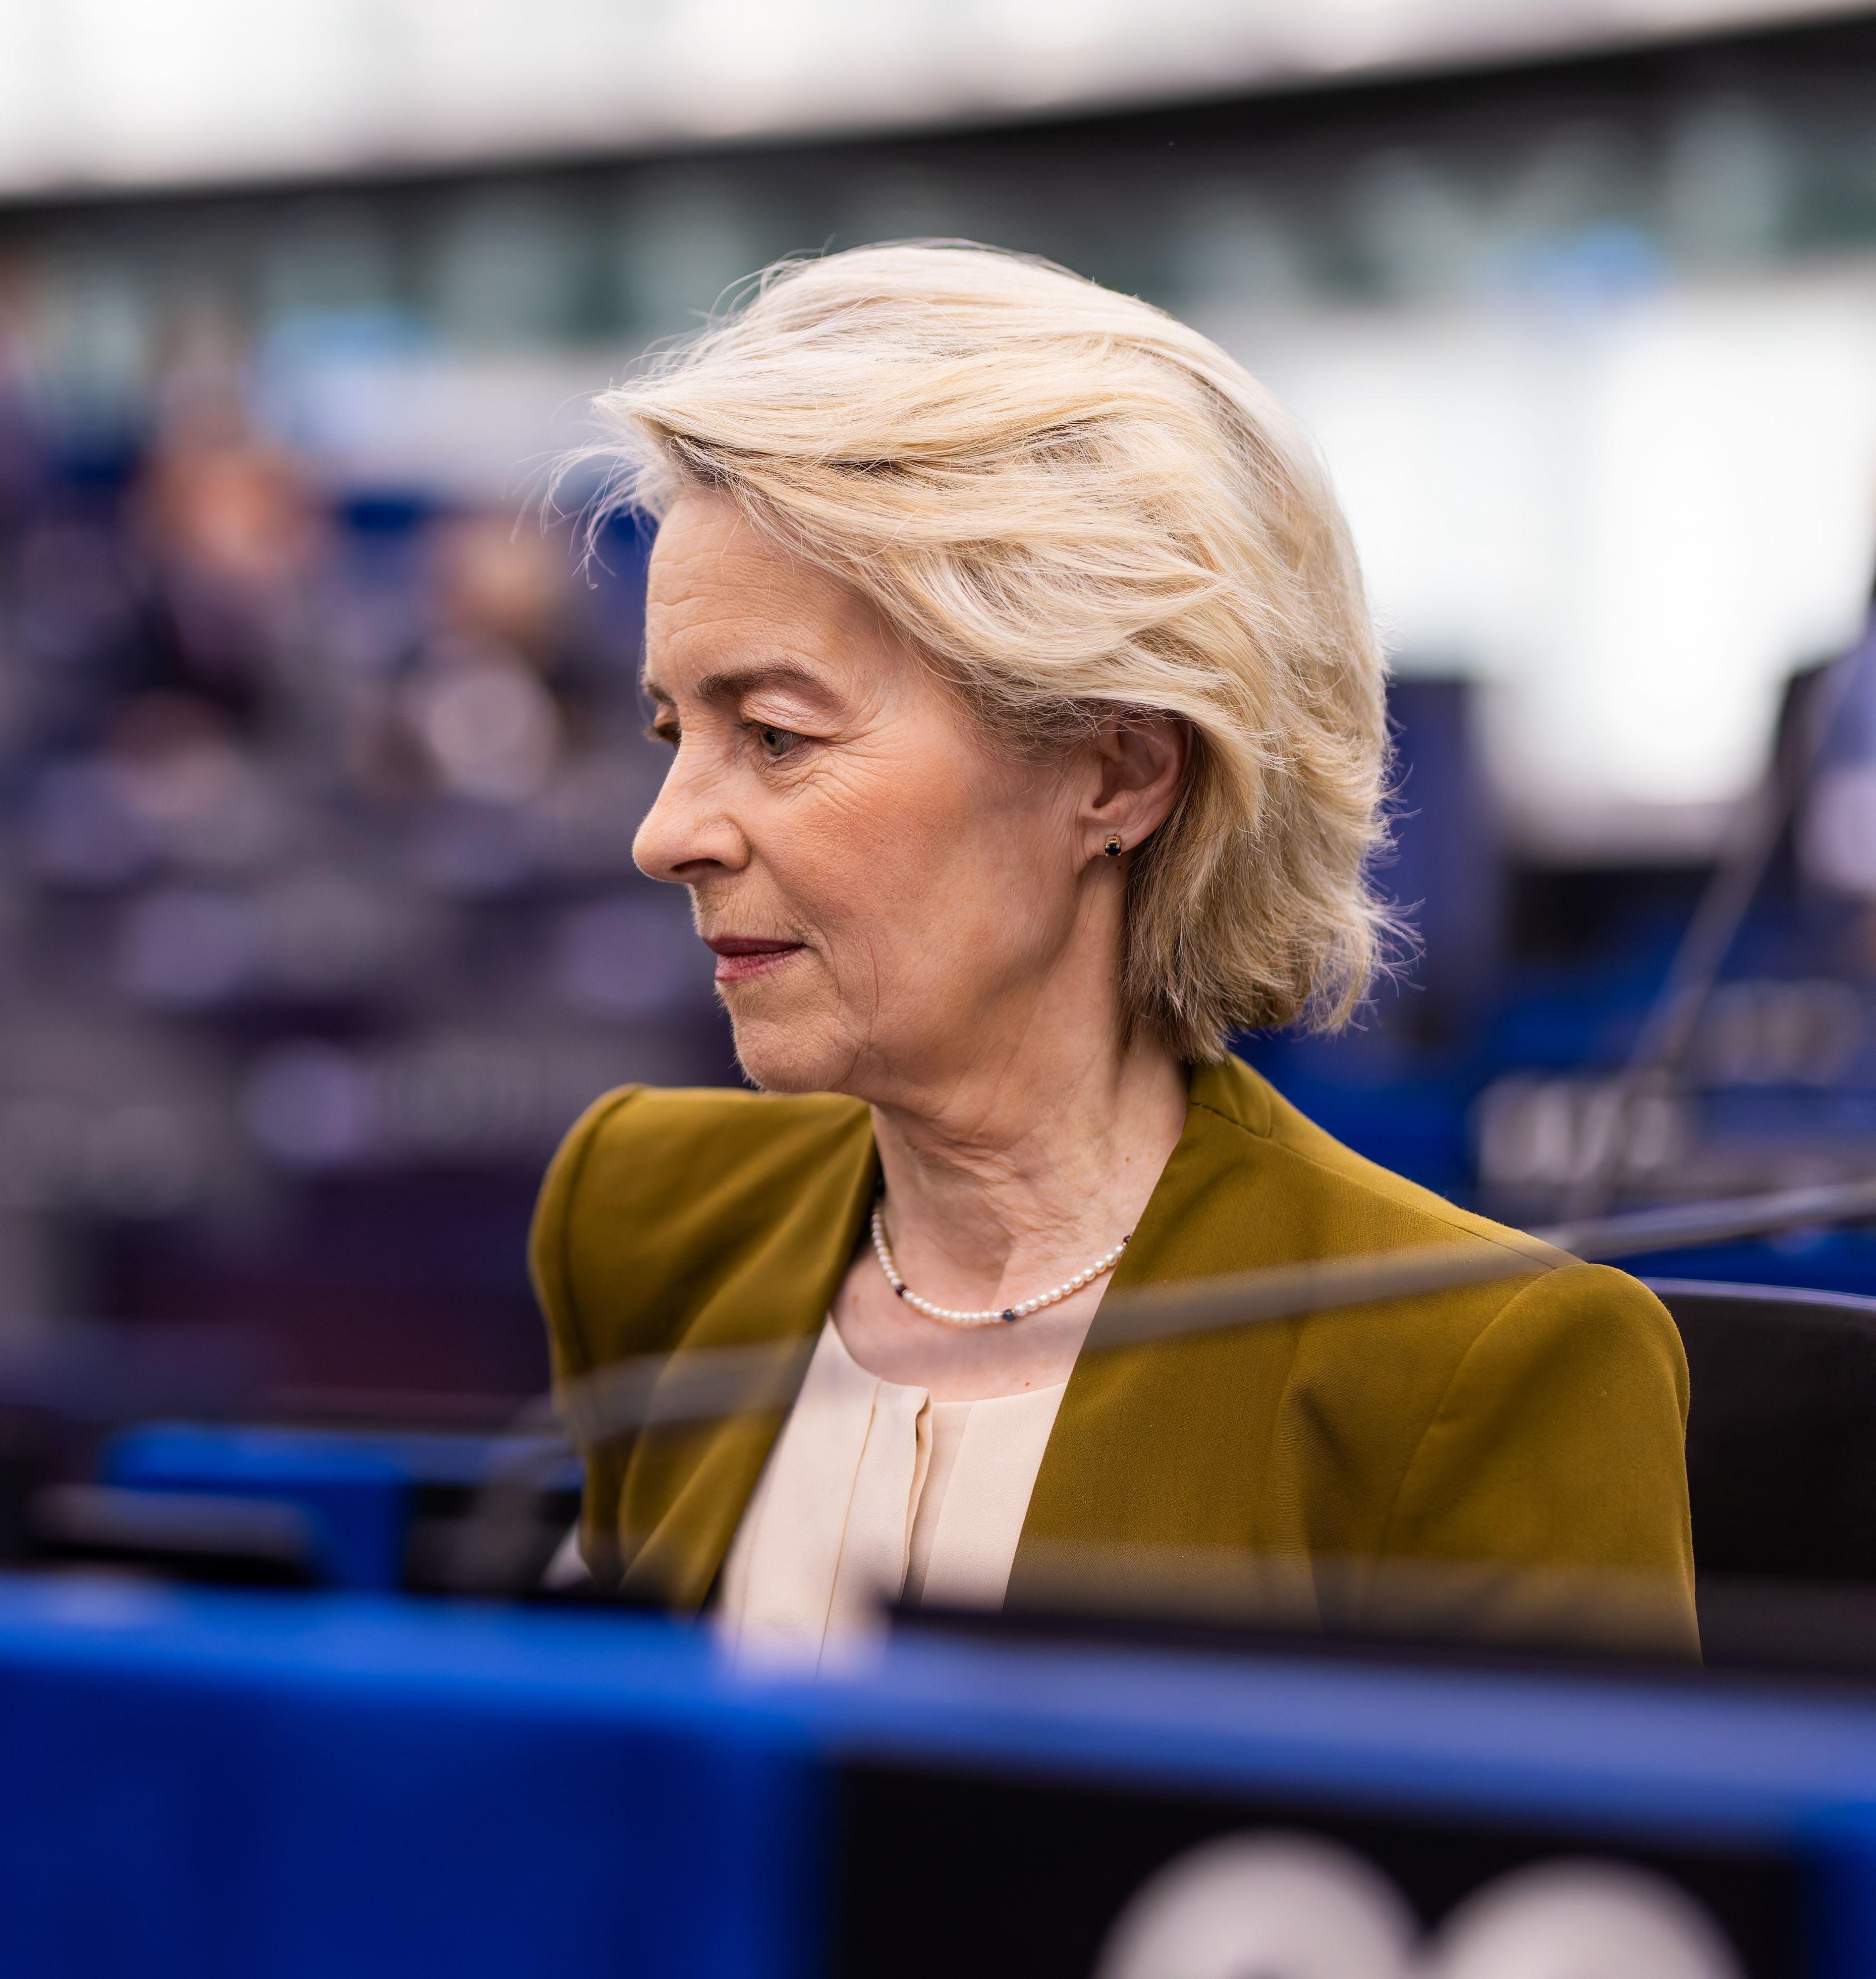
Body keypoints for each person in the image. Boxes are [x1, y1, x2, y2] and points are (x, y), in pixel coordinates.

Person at [532, 242, 1693, 1662]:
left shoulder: (1486, 1366)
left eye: (775, 734)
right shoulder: (641, 1221)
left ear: (1119, 771)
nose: (667, 834)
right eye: (674, 732)